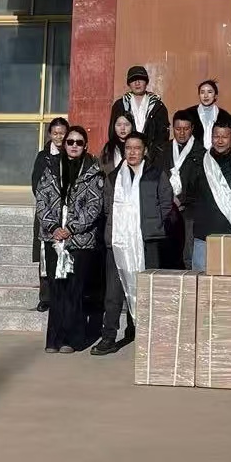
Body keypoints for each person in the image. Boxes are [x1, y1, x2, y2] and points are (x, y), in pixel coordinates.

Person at [91, 132, 173, 356]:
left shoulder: (155, 174)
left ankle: (140, 331)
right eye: (128, 148)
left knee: (146, 288)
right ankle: (109, 336)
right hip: (118, 241)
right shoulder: (114, 177)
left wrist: (152, 224)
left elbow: (166, 203)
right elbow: (107, 208)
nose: (133, 152)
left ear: (144, 150)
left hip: (147, 240)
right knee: (113, 292)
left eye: (137, 148)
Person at [34, 126, 103, 354]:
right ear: (64, 144)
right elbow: (41, 200)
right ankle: (53, 339)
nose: (74, 146)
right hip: (53, 238)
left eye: (79, 142)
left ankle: (71, 339)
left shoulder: (93, 172)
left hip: (79, 240)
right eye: (70, 141)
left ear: (85, 146)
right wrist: (53, 227)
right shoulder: (51, 169)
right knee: (57, 289)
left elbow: (94, 206)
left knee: (74, 289)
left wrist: (71, 229)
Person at [183, 118, 231, 272]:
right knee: (202, 283)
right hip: (205, 238)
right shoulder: (198, 165)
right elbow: (190, 197)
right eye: (216, 136)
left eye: (224, 137)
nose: (219, 141)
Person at [154, 110, 204, 270]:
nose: (182, 133)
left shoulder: (201, 153)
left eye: (186, 129)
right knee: (167, 252)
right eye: (178, 129)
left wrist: (181, 199)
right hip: (166, 209)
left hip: (189, 211)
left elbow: (201, 185)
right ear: (172, 129)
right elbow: (156, 177)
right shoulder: (163, 150)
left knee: (187, 252)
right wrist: (168, 197)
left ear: (192, 129)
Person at [31, 117, 68, 313]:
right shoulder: (43, 157)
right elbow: (36, 185)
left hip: (67, 214)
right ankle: (45, 297)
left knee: (65, 255)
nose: (59, 137)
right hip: (46, 214)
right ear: (50, 134)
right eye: (55, 133)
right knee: (45, 257)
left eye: (62, 133)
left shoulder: (72, 153)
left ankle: (63, 295)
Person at [109, 65, 170, 155]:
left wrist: (152, 153)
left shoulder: (158, 106)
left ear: (146, 82)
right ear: (129, 84)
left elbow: (163, 135)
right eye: (133, 80)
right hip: (126, 154)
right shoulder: (120, 105)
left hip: (151, 156)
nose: (137, 83)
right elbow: (112, 132)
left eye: (141, 79)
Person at [185, 79, 231, 150]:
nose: (205, 95)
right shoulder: (189, 114)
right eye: (202, 92)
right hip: (194, 153)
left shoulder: (224, 116)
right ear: (199, 95)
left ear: (215, 95)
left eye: (209, 92)